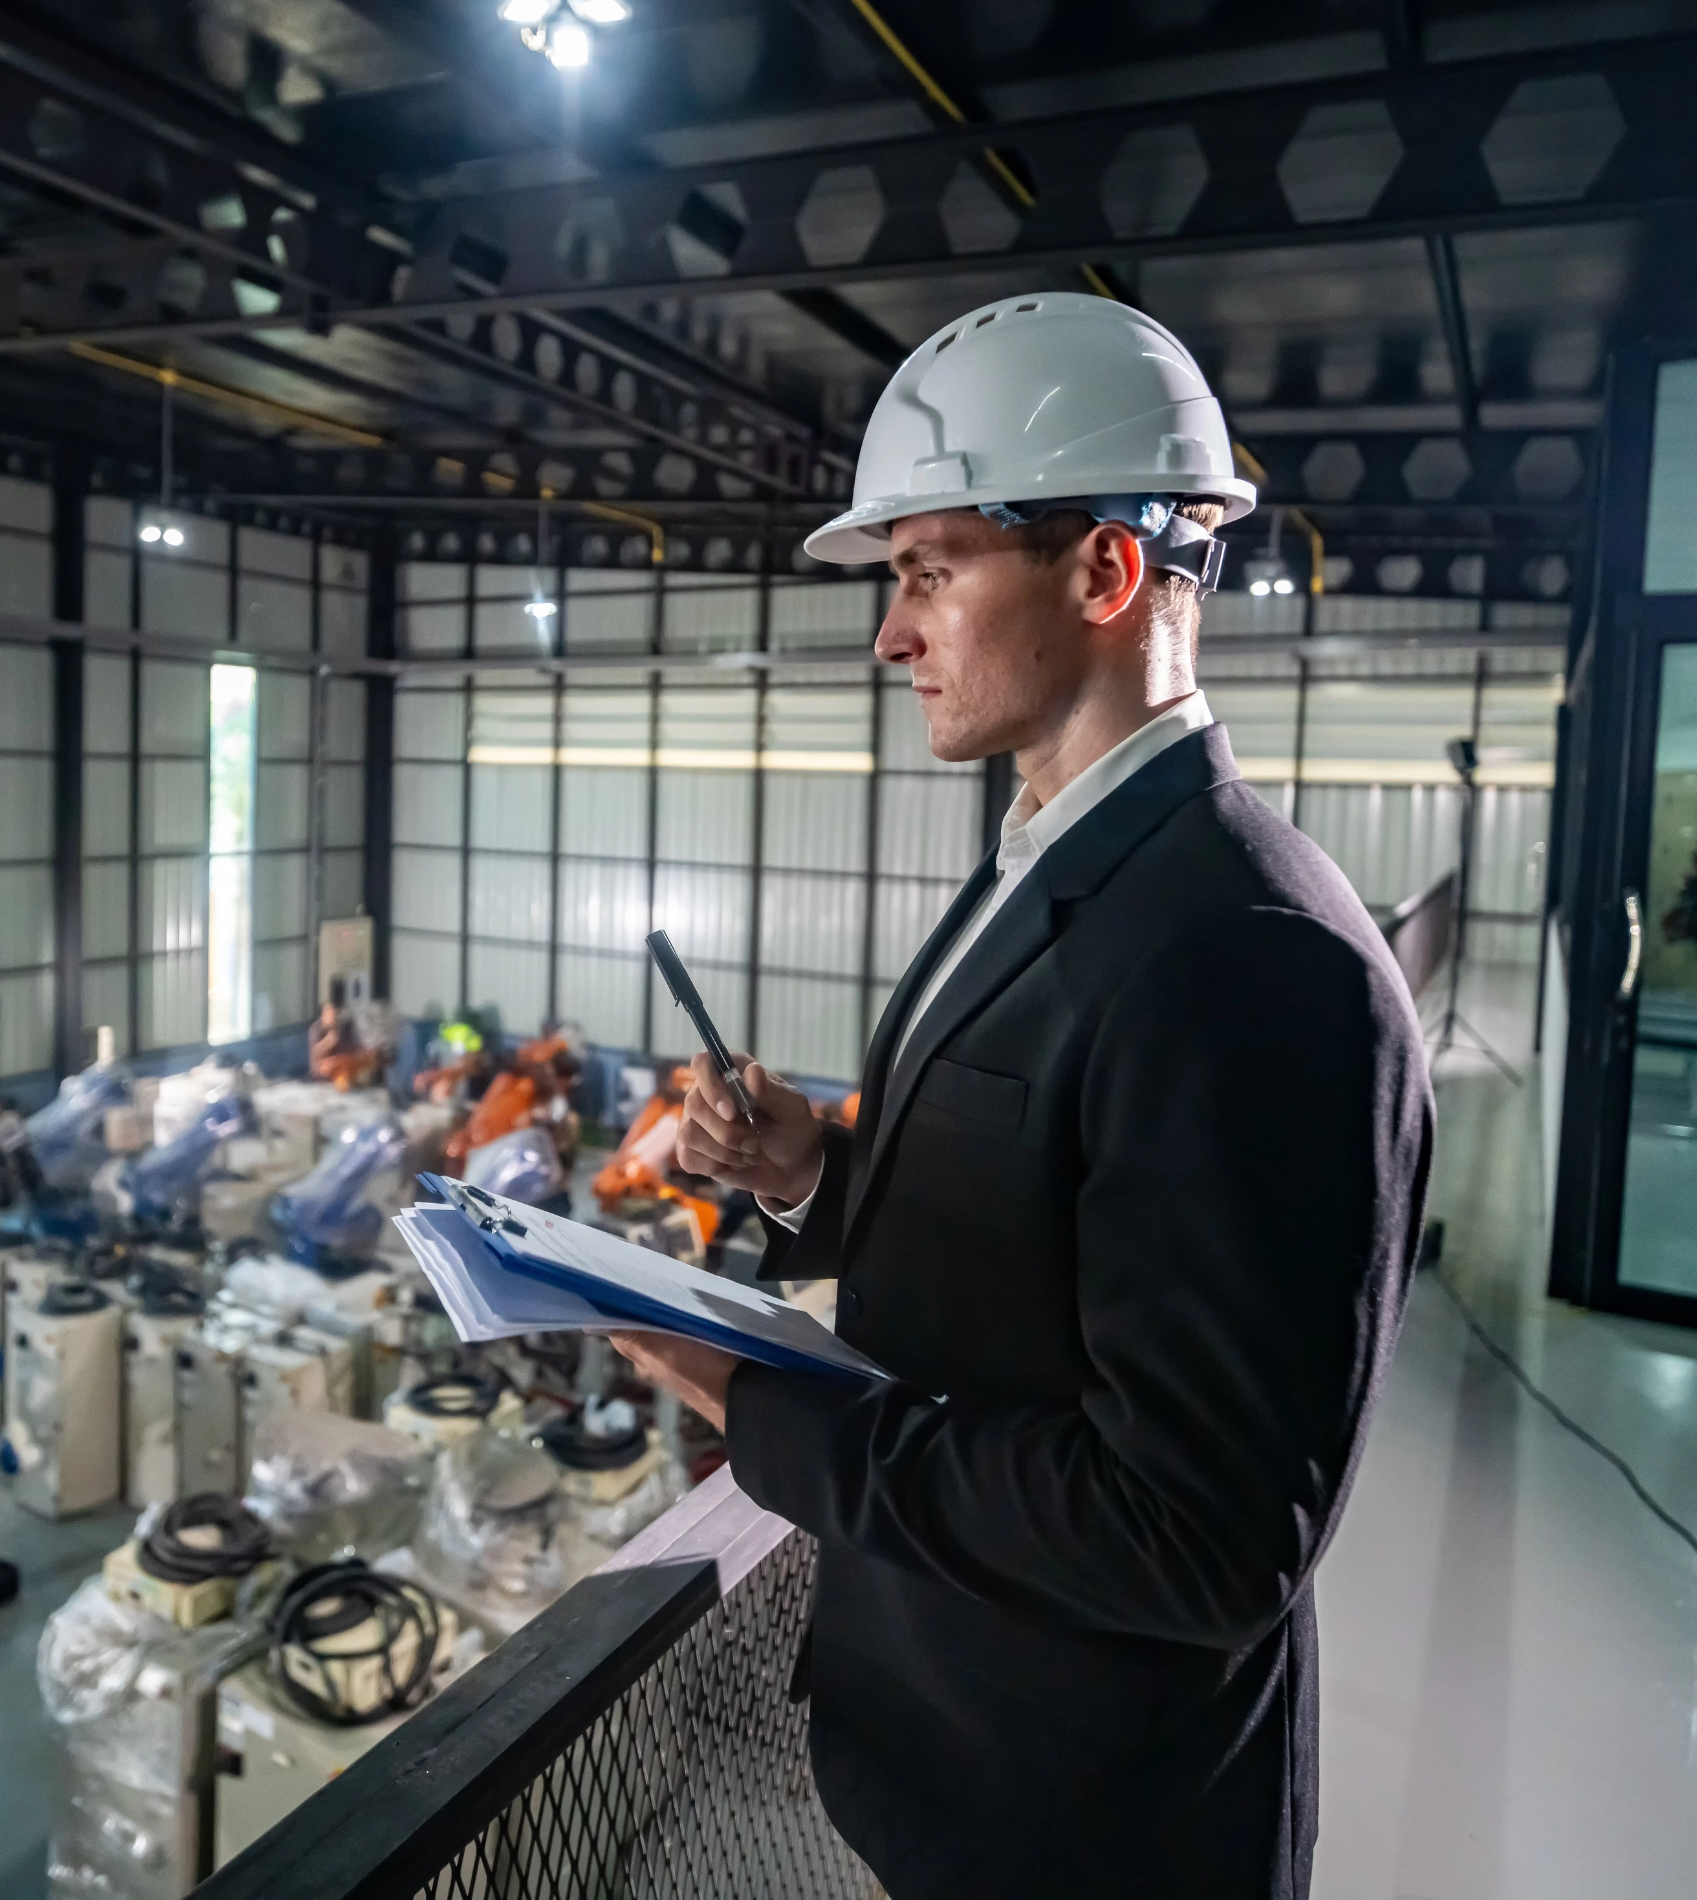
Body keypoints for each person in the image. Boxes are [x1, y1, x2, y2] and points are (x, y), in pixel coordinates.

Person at [612, 291, 1431, 1900]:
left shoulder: (1253, 956)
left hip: (1092, 1831)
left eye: (927, 571)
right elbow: (1046, 1229)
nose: (890, 631)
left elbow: (1193, 1536)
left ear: (1109, 573)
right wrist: (810, 1178)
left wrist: (761, 1408)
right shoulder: (1045, 866)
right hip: (950, 1760)